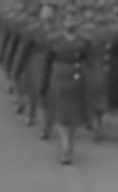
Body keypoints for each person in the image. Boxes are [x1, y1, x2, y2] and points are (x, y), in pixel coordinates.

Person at [40, 14, 88, 165]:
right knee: (60, 116)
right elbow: (47, 64)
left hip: (76, 78)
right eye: (67, 20)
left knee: (73, 117)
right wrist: (44, 83)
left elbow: (88, 62)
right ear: (62, 23)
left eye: (73, 19)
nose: (70, 23)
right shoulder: (54, 41)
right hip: (58, 78)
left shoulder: (84, 42)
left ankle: (70, 145)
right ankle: (65, 147)